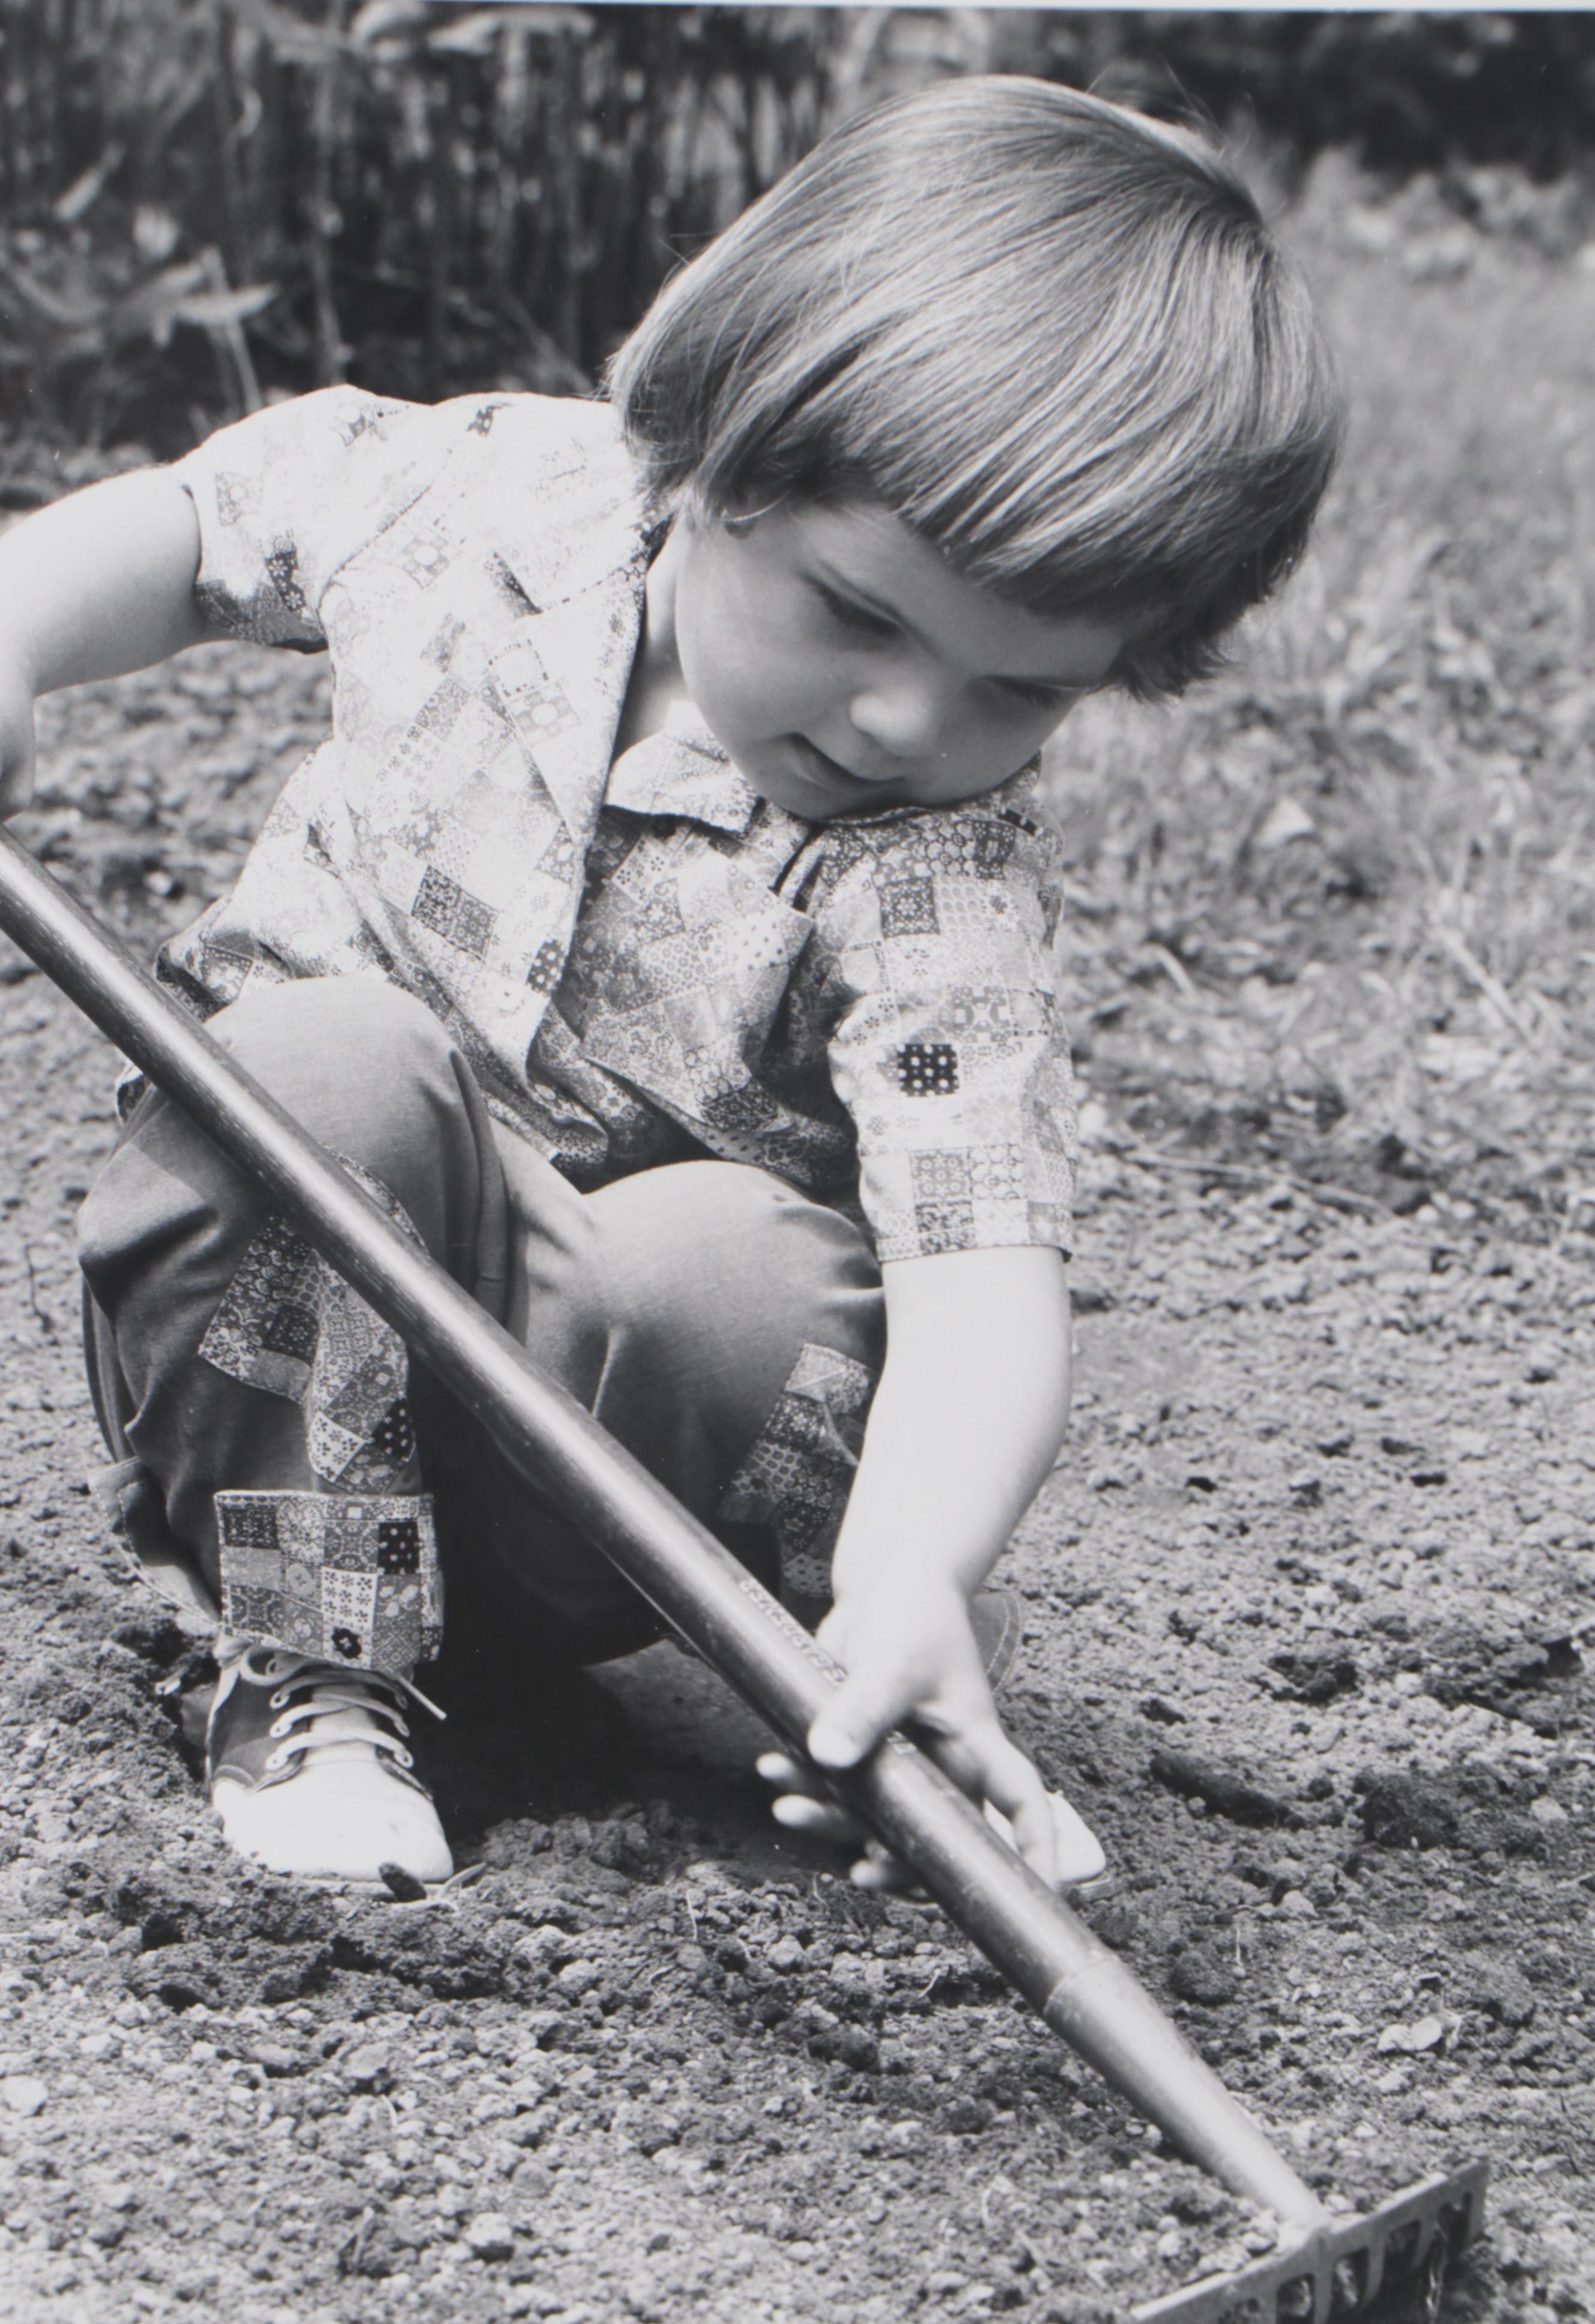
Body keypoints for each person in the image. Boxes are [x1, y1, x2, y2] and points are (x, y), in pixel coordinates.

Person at [0, 77, 1339, 1889]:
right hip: (266, 1341)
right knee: (328, 1059)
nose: (907, 725)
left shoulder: (937, 872)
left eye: (1017, 689)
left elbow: (980, 1275)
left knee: (744, 1265)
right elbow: (193, 523)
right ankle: (309, 1668)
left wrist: (918, 1570)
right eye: (860, 614)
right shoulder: (484, 502)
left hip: (570, 1477)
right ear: (713, 454)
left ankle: (838, 1677)